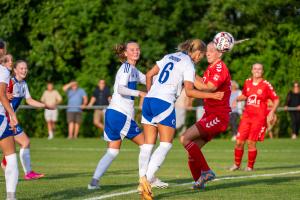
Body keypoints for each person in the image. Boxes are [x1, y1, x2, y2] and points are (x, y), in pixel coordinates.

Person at [139, 39, 224, 199]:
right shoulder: (188, 64)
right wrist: (212, 95)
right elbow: (190, 92)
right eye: (202, 55)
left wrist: (151, 93)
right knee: (165, 144)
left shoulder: (170, 56)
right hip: (163, 103)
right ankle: (145, 180)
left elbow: (149, 74)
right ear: (197, 52)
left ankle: (143, 180)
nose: (201, 58)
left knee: (148, 145)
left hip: (149, 101)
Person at [87, 41, 149, 191]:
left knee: (113, 151)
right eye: (132, 49)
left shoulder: (133, 70)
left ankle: (93, 182)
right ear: (125, 53)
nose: (136, 51)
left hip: (113, 114)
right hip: (121, 115)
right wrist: (139, 93)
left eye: (137, 49)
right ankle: (146, 180)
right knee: (146, 145)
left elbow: (148, 78)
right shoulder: (126, 67)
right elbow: (120, 89)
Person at [179, 42, 231, 189]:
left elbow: (210, 88)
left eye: (211, 51)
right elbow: (202, 82)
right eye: (206, 51)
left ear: (219, 53)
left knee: (184, 138)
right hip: (210, 114)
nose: (207, 53)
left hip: (218, 116)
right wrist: (191, 72)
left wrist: (189, 71)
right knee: (192, 151)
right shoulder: (211, 68)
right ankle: (199, 183)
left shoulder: (220, 67)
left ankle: (207, 172)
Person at [1, 60, 54, 181]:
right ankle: (11, 168)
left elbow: (29, 100)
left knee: (24, 142)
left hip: (10, 119)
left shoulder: (23, 84)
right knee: (17, 144)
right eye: (21, 68)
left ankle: (26, 172)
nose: (24, 70)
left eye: (25, 68)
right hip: (4, 118)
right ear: (15, 70)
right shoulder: (9, 82)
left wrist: (45, 105)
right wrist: (4, 96)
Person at [230, 63, 279, 172]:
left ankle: (249, 167)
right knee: (239, 142)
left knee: (251, 142)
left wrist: (271, 112)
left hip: (259, 118)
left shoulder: (266, 85)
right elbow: (245, 95)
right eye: (255, 69)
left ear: (262, 71)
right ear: (252, 70)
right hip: (246, 117)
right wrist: (236, 99)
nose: (257, 71)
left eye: (259, 69)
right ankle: (236, 165)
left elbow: (276, 99)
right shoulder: (247, 82)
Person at [0, 50, 19, 200]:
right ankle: (11, 197)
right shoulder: (3, 71)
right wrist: (12, 115)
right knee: (11, 156)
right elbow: (1, 95)